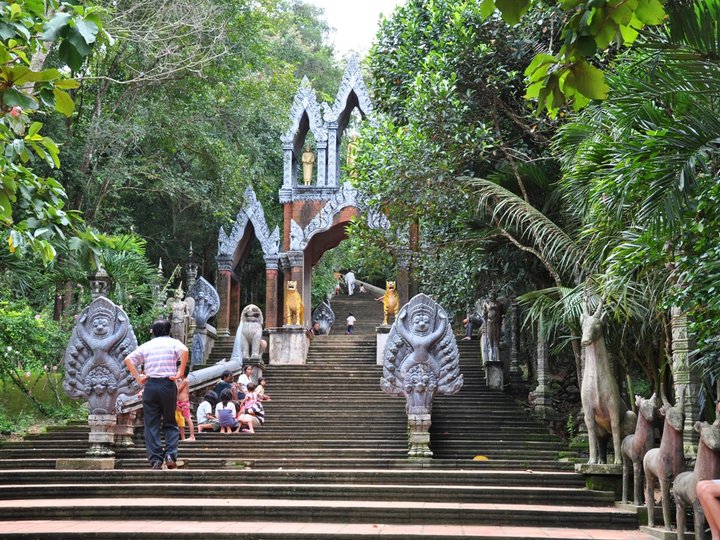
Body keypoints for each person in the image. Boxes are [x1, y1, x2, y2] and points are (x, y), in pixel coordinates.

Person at [124, 318, 188, 470]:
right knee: (170, 422)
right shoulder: (173, 343)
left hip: (151, 386)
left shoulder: (147, 345)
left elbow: (128, 359)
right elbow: (185, 350)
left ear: (154, 331)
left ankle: (156, 460)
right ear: (169, 330)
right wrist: (180, 371)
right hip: (167, 385)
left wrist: (139, 378)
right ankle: (171, 454)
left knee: (151, 424)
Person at [175, 364, 195, 441]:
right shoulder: (182, 381)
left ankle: (192, 436)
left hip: (184, 403)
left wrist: (175, 381)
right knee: (180, 420)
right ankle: (183, 437)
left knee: (188, 418)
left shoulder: (185, 381)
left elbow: (177, 390)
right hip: (179, 403)